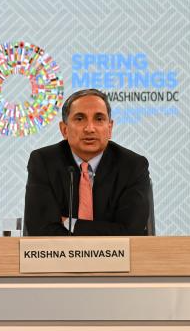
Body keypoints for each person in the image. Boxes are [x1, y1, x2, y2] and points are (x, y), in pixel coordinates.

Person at [24, 89, 151, 236]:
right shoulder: (43, 162)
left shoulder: (133, 166)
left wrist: (70, 223)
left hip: (115, 253)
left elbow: (130, 232)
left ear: (110, 128)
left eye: (99, 119)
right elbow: (40, 230)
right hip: (57, 252)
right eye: (79, 119)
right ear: (64, 129)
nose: (90, 128)